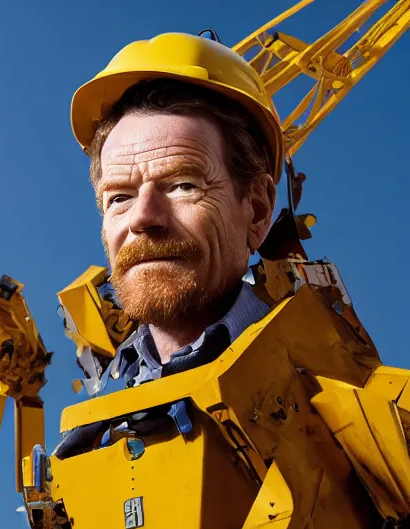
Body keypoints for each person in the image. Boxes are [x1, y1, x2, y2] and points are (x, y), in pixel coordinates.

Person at [70, 33, 284, 387]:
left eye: (183, 186)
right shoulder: (96, 431)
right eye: (120, 198)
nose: (143, 218)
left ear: (258, 211)